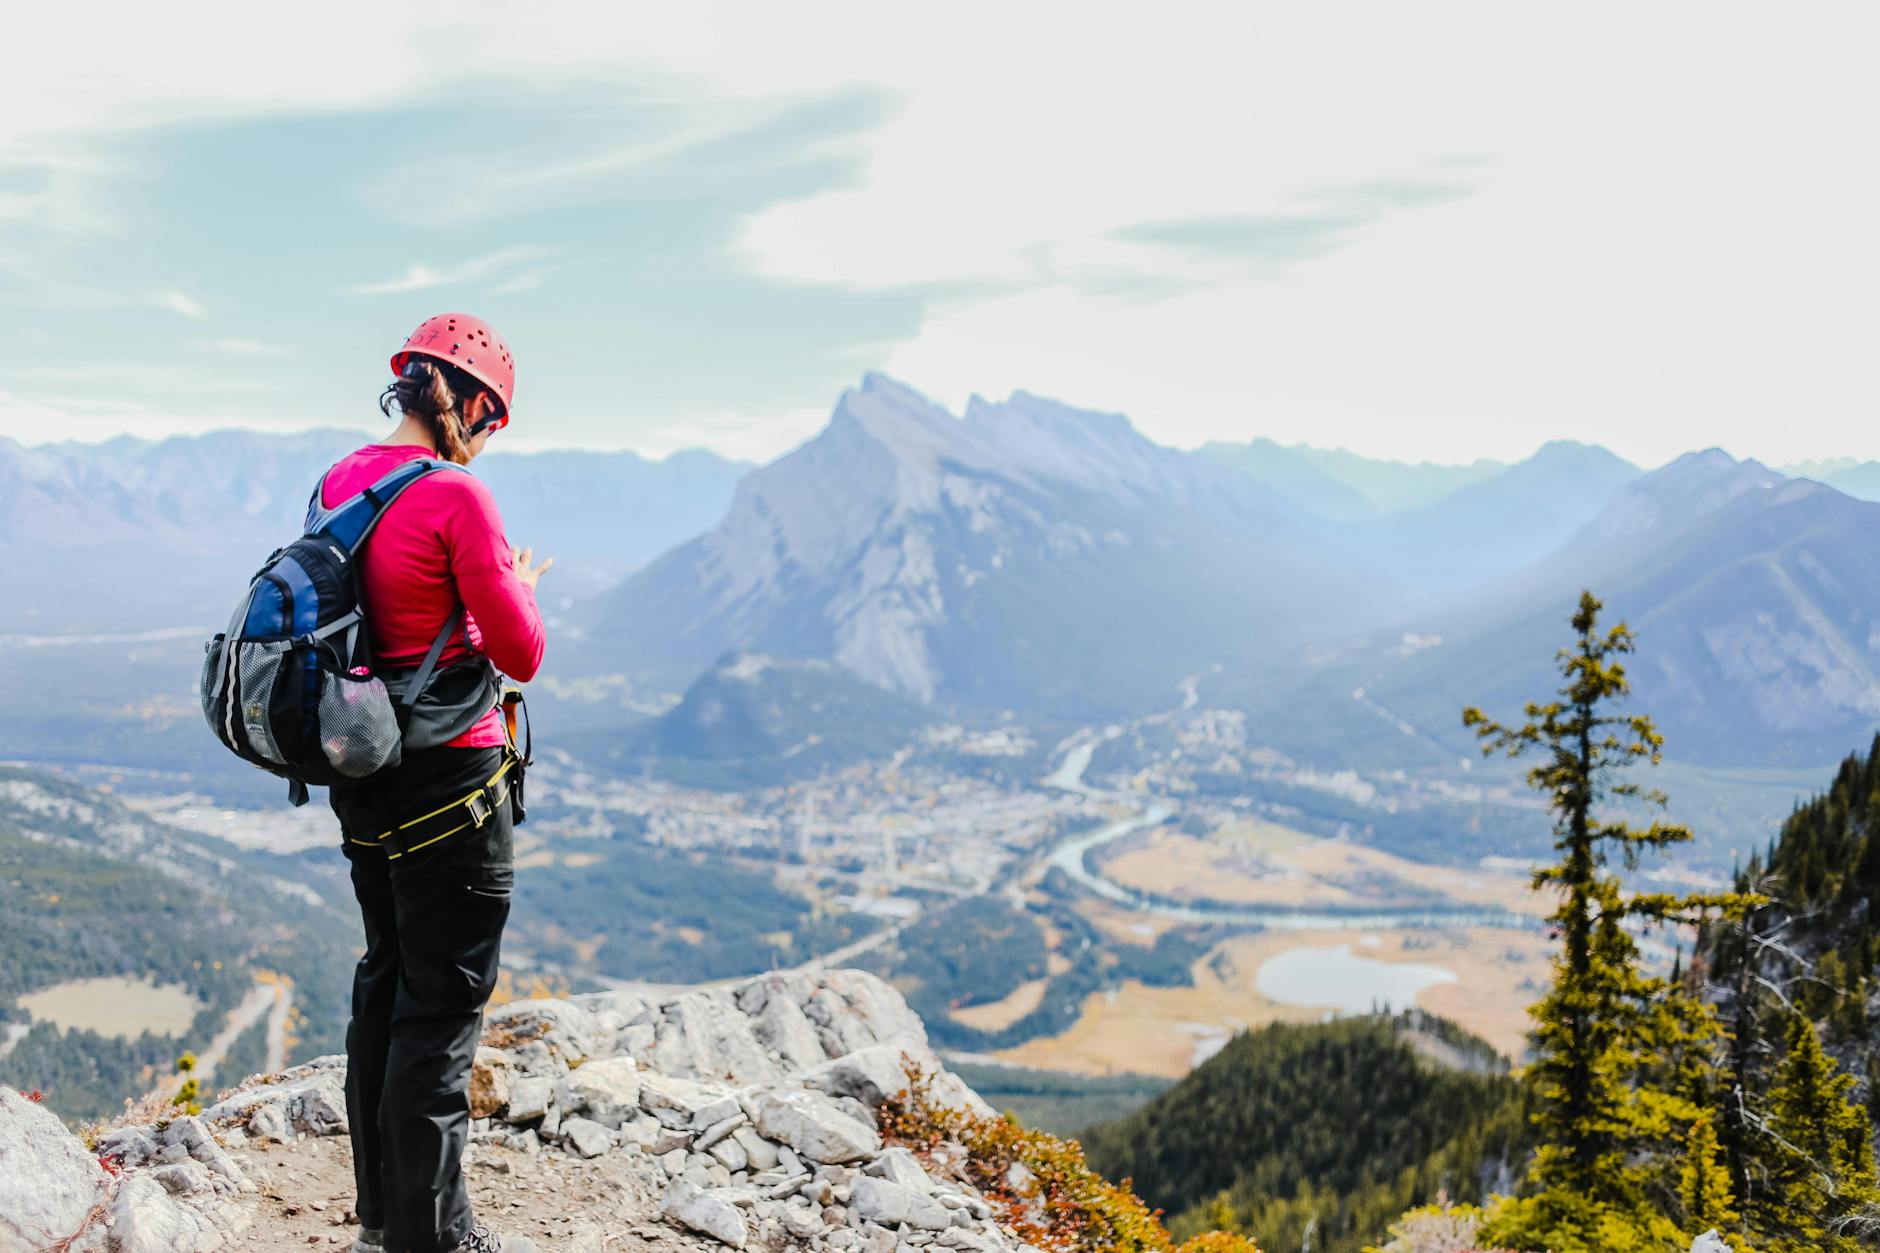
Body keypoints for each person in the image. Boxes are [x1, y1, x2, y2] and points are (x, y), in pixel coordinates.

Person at [322, 313, 551, 1253]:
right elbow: (521, 652)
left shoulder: (339, 482)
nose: (488, 443)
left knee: (385, 981)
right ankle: (432, 1244)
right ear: (471, 405)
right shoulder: (460, 496)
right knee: (443, 1010)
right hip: (452, 792)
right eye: (490, 423)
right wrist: (521, 583)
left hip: (363, 774)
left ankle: (386, 1220)